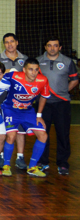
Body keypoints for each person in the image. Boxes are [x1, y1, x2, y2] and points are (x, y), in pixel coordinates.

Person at [0, 58, 50, 177]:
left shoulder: (43, 80)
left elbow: (44, 96)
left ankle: (32, 167)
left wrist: (39, 115)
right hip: (10, 110)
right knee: (11, 136)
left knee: (43, 135)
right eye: (30, 69)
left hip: (28, 111)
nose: (33, 72)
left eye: (36, 70)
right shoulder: (14, 76)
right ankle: (6, 165)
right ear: (24, 70)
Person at [36, 36, 77, 175]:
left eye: (55, 45)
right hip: (43, 104)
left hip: (61, 103)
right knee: (42, 133)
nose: (52, 48)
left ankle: (63, 163)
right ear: (45, 47)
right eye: (49, 45)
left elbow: (75, 79)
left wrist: (63, 91)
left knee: (63, 133)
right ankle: (43, 162)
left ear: (60, 47)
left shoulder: (67, 61)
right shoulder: (38, 61)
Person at [0, 33, 28, 169]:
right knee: (2, 128)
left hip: (19, 101)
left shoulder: (24, 59)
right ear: (4, 44)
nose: (10, 44)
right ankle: (1, 155)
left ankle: (20, 157)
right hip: (2, 99)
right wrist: (7, 71)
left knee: (20, 130)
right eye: (7, 42)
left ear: (17, 42)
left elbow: (30, 77)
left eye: (12, 41)